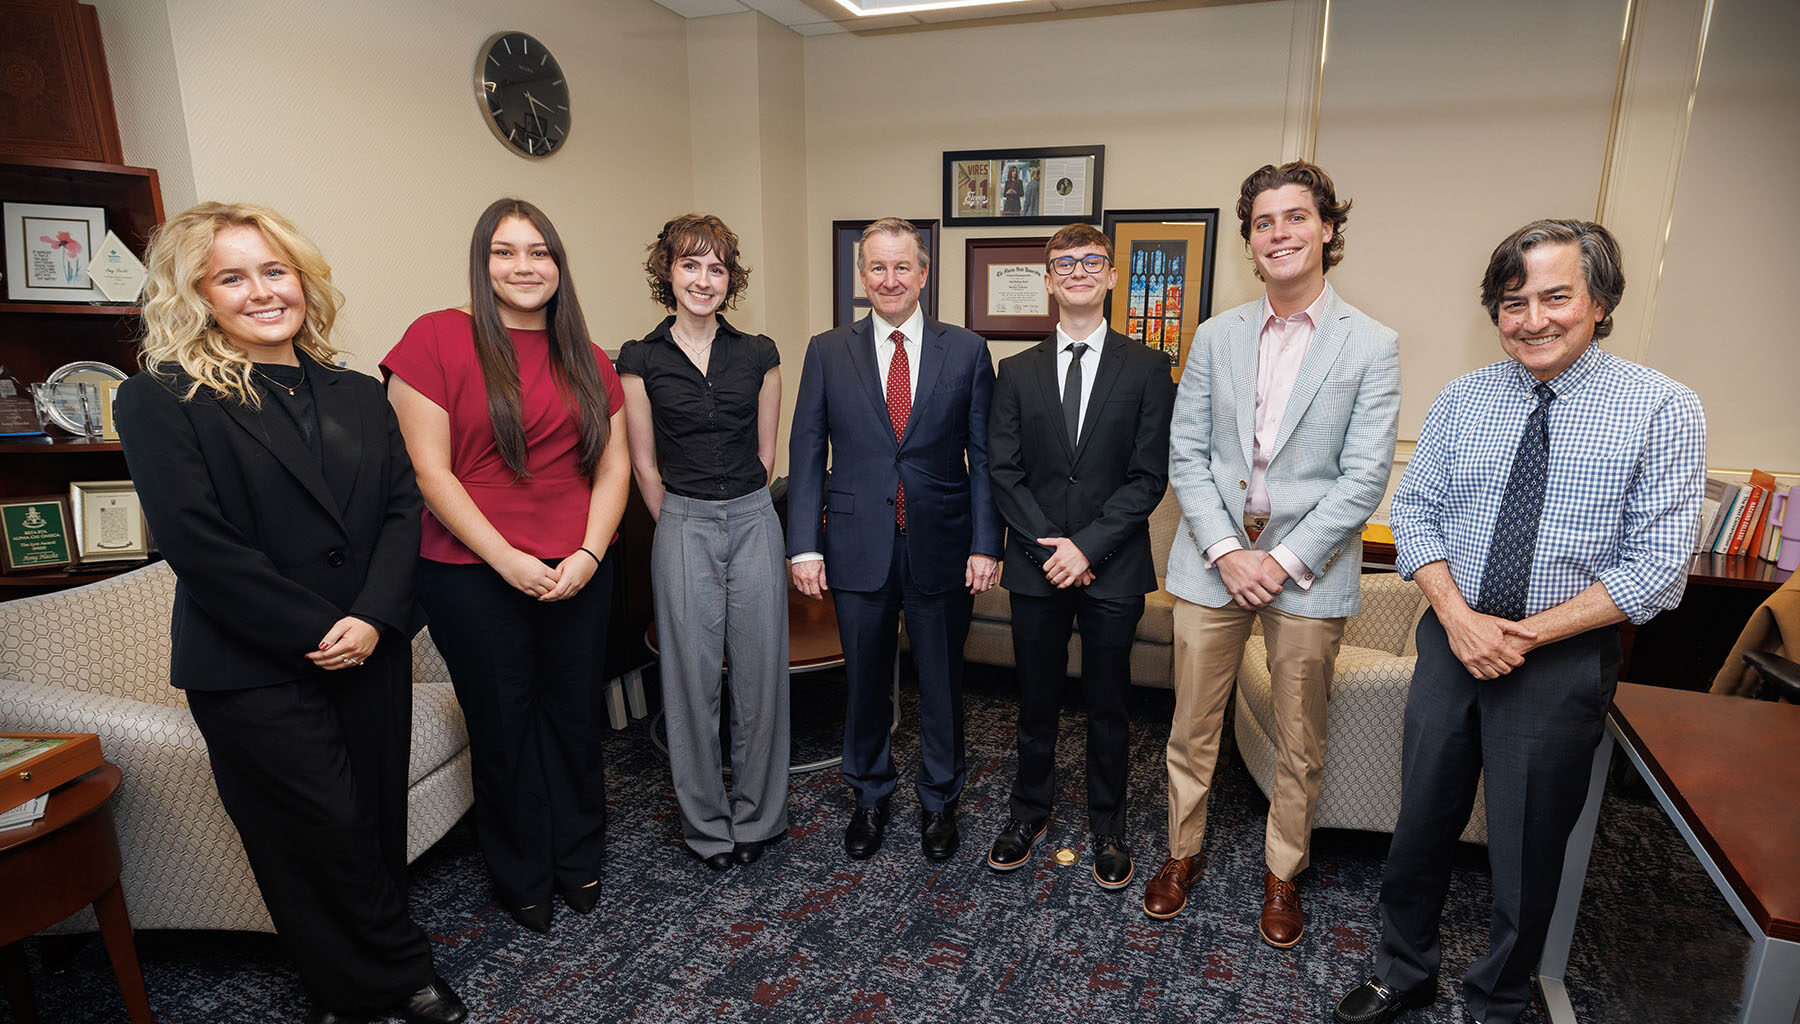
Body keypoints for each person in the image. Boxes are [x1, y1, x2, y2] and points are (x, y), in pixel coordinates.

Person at [1334, 220, 1705, 1024]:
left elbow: (1657, 568)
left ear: (1600, 303)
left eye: (1555, 297)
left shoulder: (1661, 408)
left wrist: (1526, 635)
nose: (1532, 319)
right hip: (1450, 640)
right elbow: (1418, 516)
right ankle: (1404, 970)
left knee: (1530, 848)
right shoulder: (1465, 398)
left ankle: (1499, 997)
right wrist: (1459, 617)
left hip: (1561, 659)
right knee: (1420, 822)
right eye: (1512, 302)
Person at [114, 202, 467, 1024]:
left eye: (275, 271)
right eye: (232, 277)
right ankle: (385, 980)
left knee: (372, 821)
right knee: (316, 831)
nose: (263, 291)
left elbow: (400, 511)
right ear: (196, 294)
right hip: (252, 664)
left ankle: (359, 981)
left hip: (369, 644)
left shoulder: (355, 391)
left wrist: (376, 620)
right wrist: (316, 630)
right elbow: (197, 544)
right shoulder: (158, 398)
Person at [1148, 161, 1400, 948]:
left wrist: (1281, 561)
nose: (1279, 233)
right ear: (1250, 244)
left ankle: (1283, 872)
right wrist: (1228, 552)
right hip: (1211, 562)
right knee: (1191, 726)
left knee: (1300, 738)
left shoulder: (1373, 344)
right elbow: (1185, 452)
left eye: (1296, 217)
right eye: (1263, 223)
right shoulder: (1216, 335)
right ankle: (1181, 853)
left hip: (1309, 572)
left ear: (1328, 228)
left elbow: (1364, 477)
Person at [383, 198, 629, 935]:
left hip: (582, 563)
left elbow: (612, 468)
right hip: (470, 569)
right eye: (505, 251)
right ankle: (521, 871)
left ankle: (579, 852)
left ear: (559, 265)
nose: (524, 267)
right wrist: (508, 559)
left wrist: (587, 552)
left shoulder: (586, 353)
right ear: (482, 262)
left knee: (574, 718)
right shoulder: (434, 338)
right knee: (503, 723)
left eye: (539, 252)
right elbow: (430, 474)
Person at [788, 217, 1003, 861]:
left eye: (901, 266)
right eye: (876, 268)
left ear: (924, 273)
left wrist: (986, 543)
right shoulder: (827, 351)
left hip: (942, 541)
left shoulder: (965, 349)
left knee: (941, 683)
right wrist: (804, 545)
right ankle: (870, 793)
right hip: (856, 545)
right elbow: (805, 452)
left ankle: (940, 801)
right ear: (862, 277)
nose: (889, 279)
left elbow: (984, 454)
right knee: (865, 683)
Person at [983, 223, 1174, 888]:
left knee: (1108, 706)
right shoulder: (1015, 371)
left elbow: (1148, 477)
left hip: (1113, 568)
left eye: (1093, 260)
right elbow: (1003, 474)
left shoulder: (1148, 368)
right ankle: (1028, 811)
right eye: (1065, 263)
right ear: (1048, 279)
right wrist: (1051, 551)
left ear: (1113, 275)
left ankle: (1108, 824)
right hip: (1037, 572)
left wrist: (1087, 547)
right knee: (1034, 703)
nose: (1079, 271)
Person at [617, 214, 789, 871]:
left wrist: (736, 511)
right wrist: (681, 523)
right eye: (690, 265)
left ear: (731, 279)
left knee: (761, 674)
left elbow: (766, 456)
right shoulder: (640, 359)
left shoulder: (760, 355)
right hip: (682, 523)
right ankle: (707, 826)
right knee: (689, 681)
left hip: (751, 520)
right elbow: (644, 465)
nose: (703, 279)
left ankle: (758, 818)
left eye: (716, 268)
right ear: (668, 272)